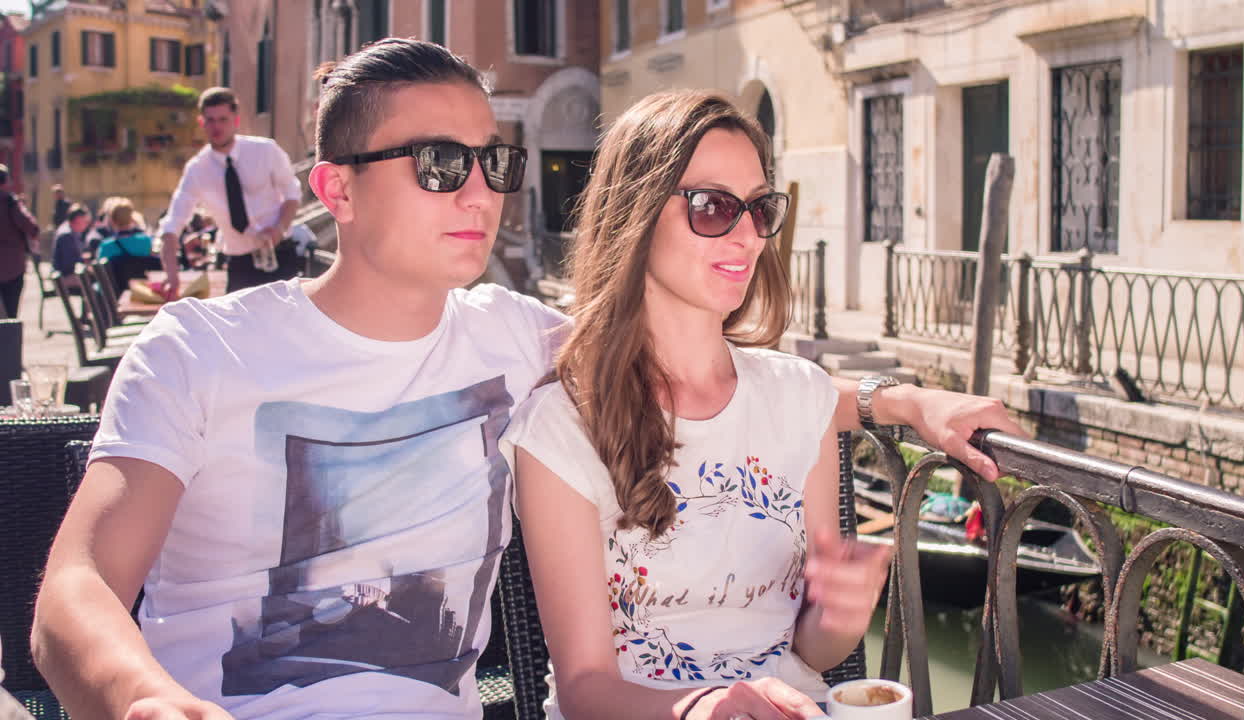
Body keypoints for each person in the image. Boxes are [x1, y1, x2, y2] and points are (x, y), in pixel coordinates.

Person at [30, 39, 1021, 720]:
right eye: (437, 163)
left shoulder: (509, 337)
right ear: (336, 188)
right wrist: (142, 700)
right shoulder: (200, 350)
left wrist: (904, 402)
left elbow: (708, 369)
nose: (479, 193)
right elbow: (75, 590)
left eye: (490, 164)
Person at [503, 91, 892, 720]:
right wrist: (706, 707)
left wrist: (842, 616)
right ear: (634, 215)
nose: (748, 236)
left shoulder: (803, 396)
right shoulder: (557, 429)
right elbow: (585, 689)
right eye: (713, 207)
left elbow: (812, 652)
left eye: (760, 208)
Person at [157, 87, 302, 296]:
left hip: (280, 254)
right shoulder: (197, 169)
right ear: (201, 123)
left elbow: (292, 194)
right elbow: (172, 224)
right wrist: (172, 276)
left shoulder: (266, 151)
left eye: (223, 119)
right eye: (210, 120)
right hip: (240, 264)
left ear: (236, 120)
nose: (216, 127)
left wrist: (279, 229)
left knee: (288, 316)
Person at [0, 163, 39, 319]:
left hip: (12, 264)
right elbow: (31, 227)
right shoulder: (10, 202)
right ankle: (10, 333)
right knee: (11, 311)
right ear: (5, 181)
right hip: (12, 265)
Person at [97, 199, 162, 290]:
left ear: (112, 220)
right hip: (142, 292)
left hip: (117, 294)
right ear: (132, 218)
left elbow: (101, 277)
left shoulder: (105, 246)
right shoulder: (146, 241)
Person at [51, 204, 92, 277]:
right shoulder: (66, 235)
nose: (86, 225)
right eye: (84, 221)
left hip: (68, 273)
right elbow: (69, 264)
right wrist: (83, 259)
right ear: (76, 220)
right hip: (64, 276)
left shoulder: (73, 231)